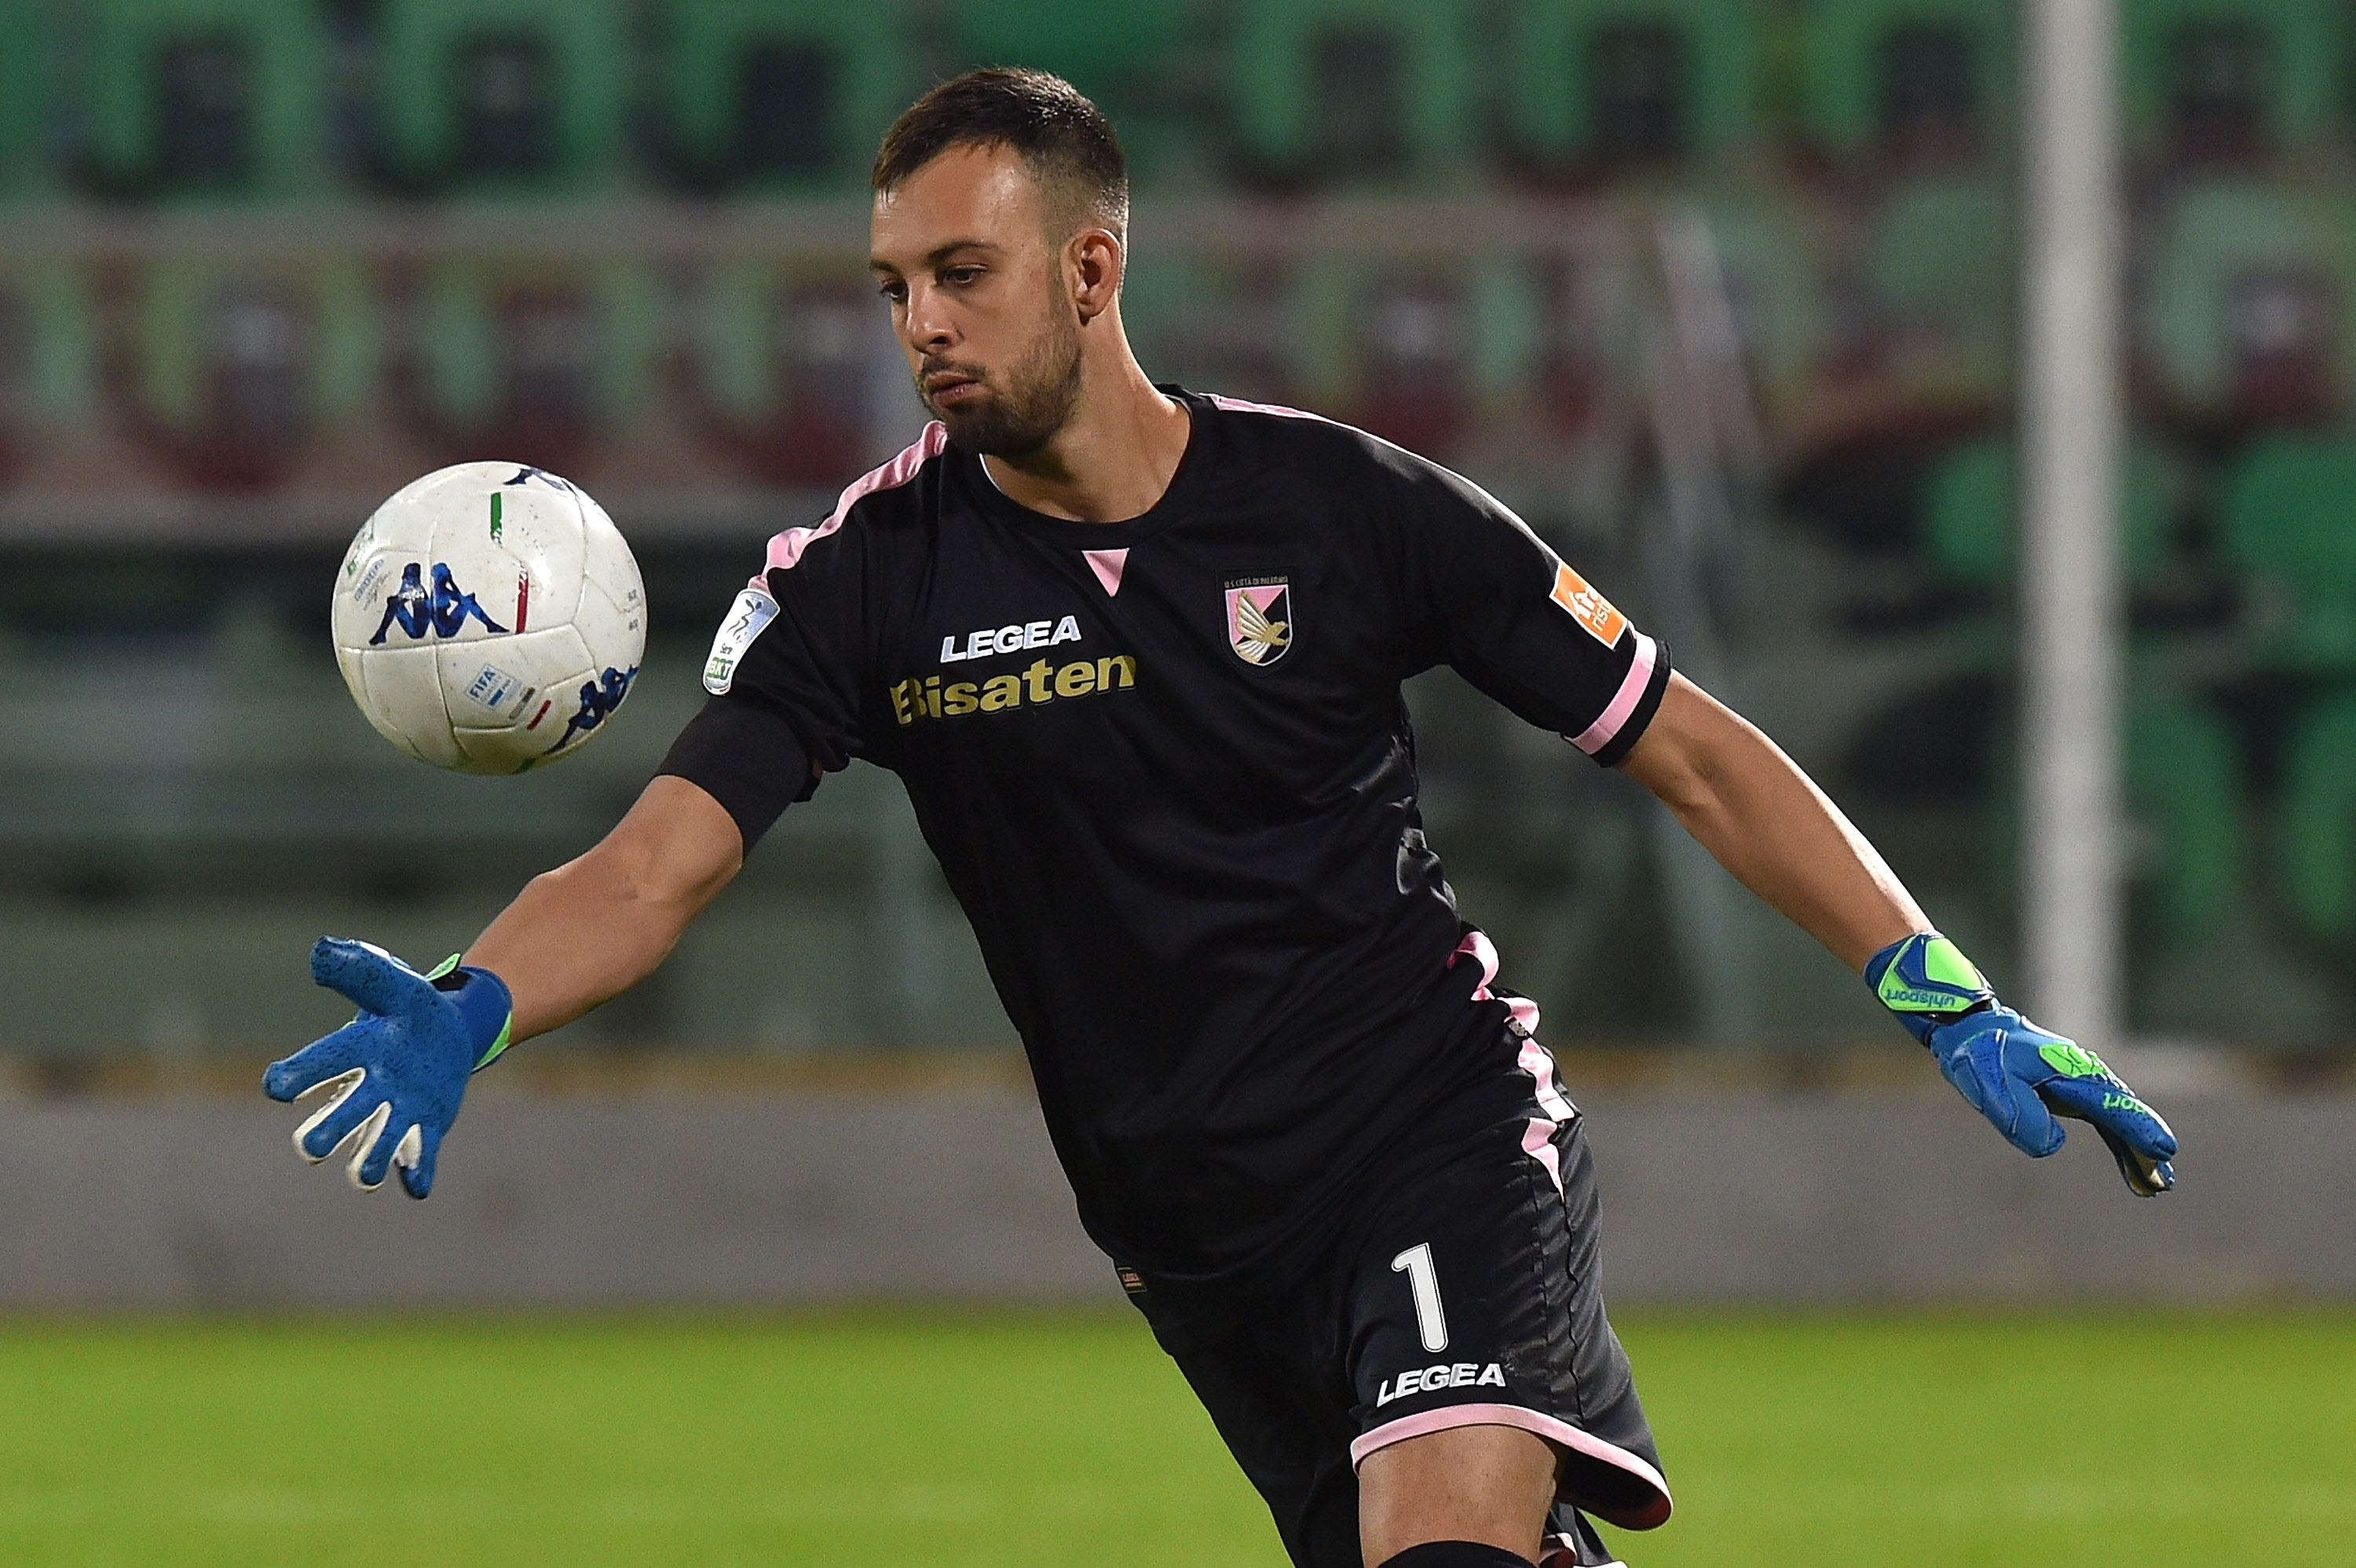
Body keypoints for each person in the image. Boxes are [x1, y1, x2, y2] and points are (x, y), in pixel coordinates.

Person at [265, 69, 2179, 1568]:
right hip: (1191, 1235)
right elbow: (658, 860)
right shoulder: (865, 585)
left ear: (1092, 270)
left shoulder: (1345, 512)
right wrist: (481, 999)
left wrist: (1944, 991)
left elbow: (1686, 744)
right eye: (894, 287)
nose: (920, 325)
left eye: (963, 275)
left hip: (1430, 1131)